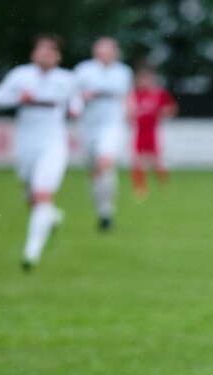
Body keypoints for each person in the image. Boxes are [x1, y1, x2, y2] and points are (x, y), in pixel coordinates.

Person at [0, 33, 80, 270]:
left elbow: (77, 105)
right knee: (32, 200)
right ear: (33, 54)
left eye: (50, 51)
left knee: (41, 195)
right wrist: (18, 97)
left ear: (58, 56)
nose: (45, 55)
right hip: (26, 144)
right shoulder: (21, 76)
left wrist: (76, 110)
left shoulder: (67, 79)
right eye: (41, 50)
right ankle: (52, 217)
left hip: (53, 145)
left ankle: (31, 252)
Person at [74, 37, 134, 231]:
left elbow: (128, 96)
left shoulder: (123, 72)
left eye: (107, 52)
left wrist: (130, 113)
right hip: (88, 126)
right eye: (100, 52)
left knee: (105, 162)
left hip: (112, 125)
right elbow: (71, 96)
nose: (103, 56)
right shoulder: (84, 70)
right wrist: (80, 99)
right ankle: (102, 211)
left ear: (115, 53)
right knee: (94, 171)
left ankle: (108, 211)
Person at [128, 66, 178, 199]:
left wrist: (165, 112)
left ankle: (164, 185)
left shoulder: (159, 94)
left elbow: (171, 108)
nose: (144, 82)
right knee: (138, 161)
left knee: (157, 161)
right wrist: (131, 115)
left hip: (153, 131)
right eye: (141, 79)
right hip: (139, 131)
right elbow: (128, 113)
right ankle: (140, 189)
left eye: (147, 79)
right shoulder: (134, 94)